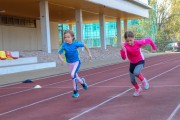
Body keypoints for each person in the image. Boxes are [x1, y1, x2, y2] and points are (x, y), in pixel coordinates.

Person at [120, 31, 156, 97]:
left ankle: (143, 80)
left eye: (131, 40)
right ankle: (138, 89)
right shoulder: (125, 45)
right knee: (132, 80)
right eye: (127, 41)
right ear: (125, 40)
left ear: (134, 38)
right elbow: (124, 58)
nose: (129, 42)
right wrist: (122, 49)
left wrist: (154, 48)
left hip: (140, 61)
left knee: (136, 72)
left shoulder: (138, 43)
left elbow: (149, 40)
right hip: (132, 63)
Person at [58, 30, 92, 98]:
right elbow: (59, 53)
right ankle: (82, 82)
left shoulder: (76, 44)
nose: (66, 38)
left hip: (76, 62)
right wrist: (61, 59)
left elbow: (85, 45)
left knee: (72, 74)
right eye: (65, 37)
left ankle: (75, 91)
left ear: (72, 37)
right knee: (75, 76)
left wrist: (89, 54)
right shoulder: (63, 45)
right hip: (69, 63)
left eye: (68, 37)